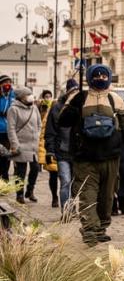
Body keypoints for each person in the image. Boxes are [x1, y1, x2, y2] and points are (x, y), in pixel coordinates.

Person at [59, 64, 124, 247]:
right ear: (89, 77)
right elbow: (63, 121)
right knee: (87, 195)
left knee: (107, 197)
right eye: (97, 75)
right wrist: (73, 105)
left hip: (110, 157)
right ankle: (89, 230)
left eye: (104, 75)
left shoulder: (115, 99)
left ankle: (101, 228)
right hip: (85, 158)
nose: (101, 78)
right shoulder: (79, 97)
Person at [45, 80, 79, 211]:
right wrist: (50, 150)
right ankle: (66, 211)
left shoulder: (81, 106)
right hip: (62, 151)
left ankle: (74, 209)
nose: (74, 95)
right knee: (65, 181)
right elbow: (50, 131)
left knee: (76, 183)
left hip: (78, 152)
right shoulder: (56, 107)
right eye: (72, 92)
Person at [7, 86, 42, 204]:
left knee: (35, 169)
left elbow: (39, 124)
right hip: (21, 145)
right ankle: (19, 194)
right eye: (28, 94)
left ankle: (30, 190)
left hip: (33, 145)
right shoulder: (13, 109)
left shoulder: (34, 108)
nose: (30, 96)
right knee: (21, 172)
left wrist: (37, 136)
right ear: (21, 97)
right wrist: (15, 144)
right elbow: (11, 128)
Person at [37, 90, 60, 207]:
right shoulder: (40, 109)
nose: (48, 98)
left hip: (59, 146)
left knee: (64, 176)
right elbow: (42, 131)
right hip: (50, 145)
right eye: (46, 96)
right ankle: (54, 197)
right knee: (53, 174)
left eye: (50, 96)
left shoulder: (57, 108)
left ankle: (63, 196)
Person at [0, 76, 15, 180]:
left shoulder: (12, 95)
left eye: (9, 83)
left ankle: (5, 177)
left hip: (8, 131)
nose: (7, 85)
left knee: (6, 156)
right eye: (5, 83)